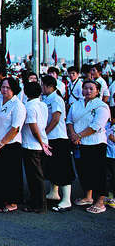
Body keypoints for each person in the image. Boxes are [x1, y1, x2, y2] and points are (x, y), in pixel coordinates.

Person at [66, 79, 110, 214]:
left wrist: (78, 135)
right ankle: (88, 196)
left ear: (97, 91)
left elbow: (96, 126)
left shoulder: (101, 106)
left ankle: (100, 201)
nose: (88, 91)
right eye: (85, 88)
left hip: (96, 144)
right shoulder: (76, 104)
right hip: (79, 144)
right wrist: (73, 135)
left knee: (98, 173)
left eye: (91, 88)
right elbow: (69, 120)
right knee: (84, 171)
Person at [41, 75, 76, 212]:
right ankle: (53, 193)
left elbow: (56, 119)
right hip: (51, 139)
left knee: (63, 169)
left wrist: (45, 133)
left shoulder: (56, 99)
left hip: (59, 138)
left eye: (43, 85)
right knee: (52, 167)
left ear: (49, 86)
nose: (42, 88)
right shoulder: (47, 98)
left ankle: (66, 200)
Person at [0, 77, 26, 213]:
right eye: (3, 87)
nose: (4, 90)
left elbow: (15, 128)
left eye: (8, 88)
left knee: (11, 175)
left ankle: (12, 202)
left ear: (14, 89)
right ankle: (0, 199)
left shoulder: (18, 105)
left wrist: (2, 143)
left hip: (10, 144)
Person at [21, 82, 51, 213]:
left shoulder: (29, 106)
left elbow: (33, 127)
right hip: (40, 142)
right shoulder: (43, 104)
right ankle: (36, 200)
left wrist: (40, 142)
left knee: (35, 177)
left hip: (32, 145)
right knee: (36, 175)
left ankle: (39, 204)